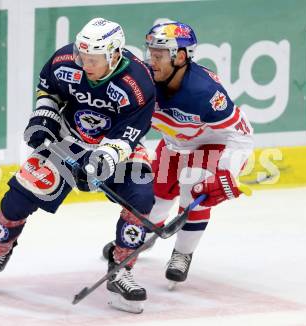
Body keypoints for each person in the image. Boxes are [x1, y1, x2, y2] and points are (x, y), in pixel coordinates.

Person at [0, 17, 156, 314]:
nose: (85, 64)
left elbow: (129, 134)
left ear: (114, 54)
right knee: (19, 195)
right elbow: (49, 91)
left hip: (116, 148)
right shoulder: (65, 60)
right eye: (83, 56)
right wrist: (44, 118)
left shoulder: (138, 83)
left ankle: (122, 267)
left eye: (93, 59)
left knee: (141, 196)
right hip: (68, 139)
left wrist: (102, 159)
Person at [103, 21, 254, 289]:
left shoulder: (205, 93)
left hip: (211, 144)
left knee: (192, 190)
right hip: (174, 143)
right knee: (156, 196)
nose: (152, 61)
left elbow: (240, 134)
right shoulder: (145, 81)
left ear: (181, 57)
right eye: (150, 52)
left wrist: (227, 172)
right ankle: (141, 237)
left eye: (159, 55)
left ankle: (182, 253)